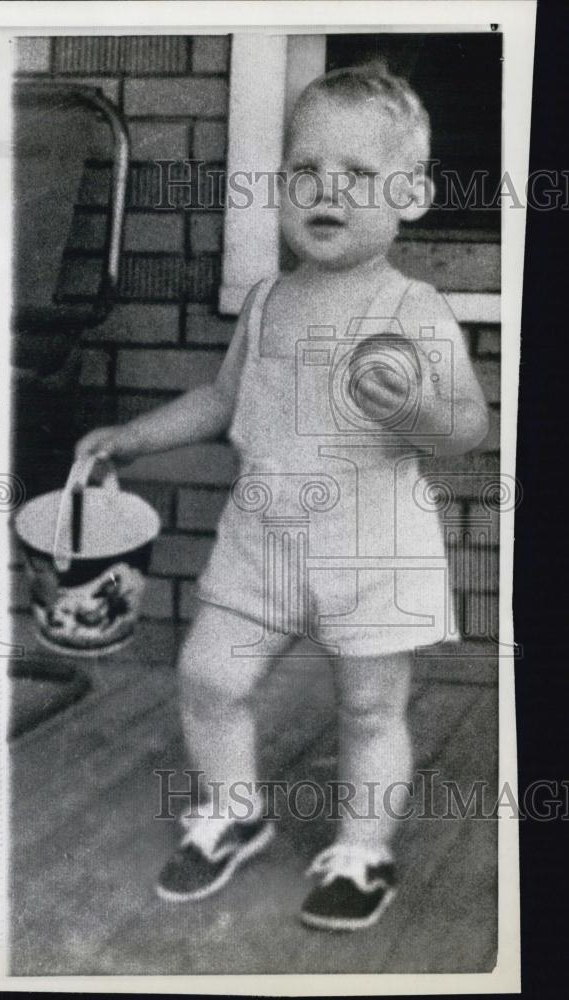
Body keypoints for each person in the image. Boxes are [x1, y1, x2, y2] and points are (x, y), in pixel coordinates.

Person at [75, 63, 489, 931]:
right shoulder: (267, 300)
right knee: (206, 675)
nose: (324, 190)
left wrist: (417, 408)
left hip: (370, 550)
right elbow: (220, 400)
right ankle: (234, 810)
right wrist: (133, 436)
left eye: (359, 175)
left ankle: (361, 851)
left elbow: (464, 428)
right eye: (304, 171)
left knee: (370, 705)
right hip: (263, 539)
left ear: (409, 196)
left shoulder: (414, 309)